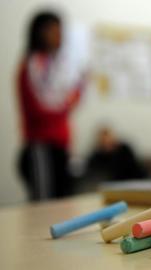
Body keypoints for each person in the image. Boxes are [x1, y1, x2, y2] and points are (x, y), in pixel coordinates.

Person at [16, 11, 85, 201]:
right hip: (41, 148)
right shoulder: (33, 65)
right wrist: (68, 101)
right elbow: (40, 109)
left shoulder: (57, 65)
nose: (59, 36)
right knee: (43, 205)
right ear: (40, 32)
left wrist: (76, 93)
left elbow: (67, 100)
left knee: (61, 203)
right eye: (54, 31)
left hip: (61, 146)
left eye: (60, 31)